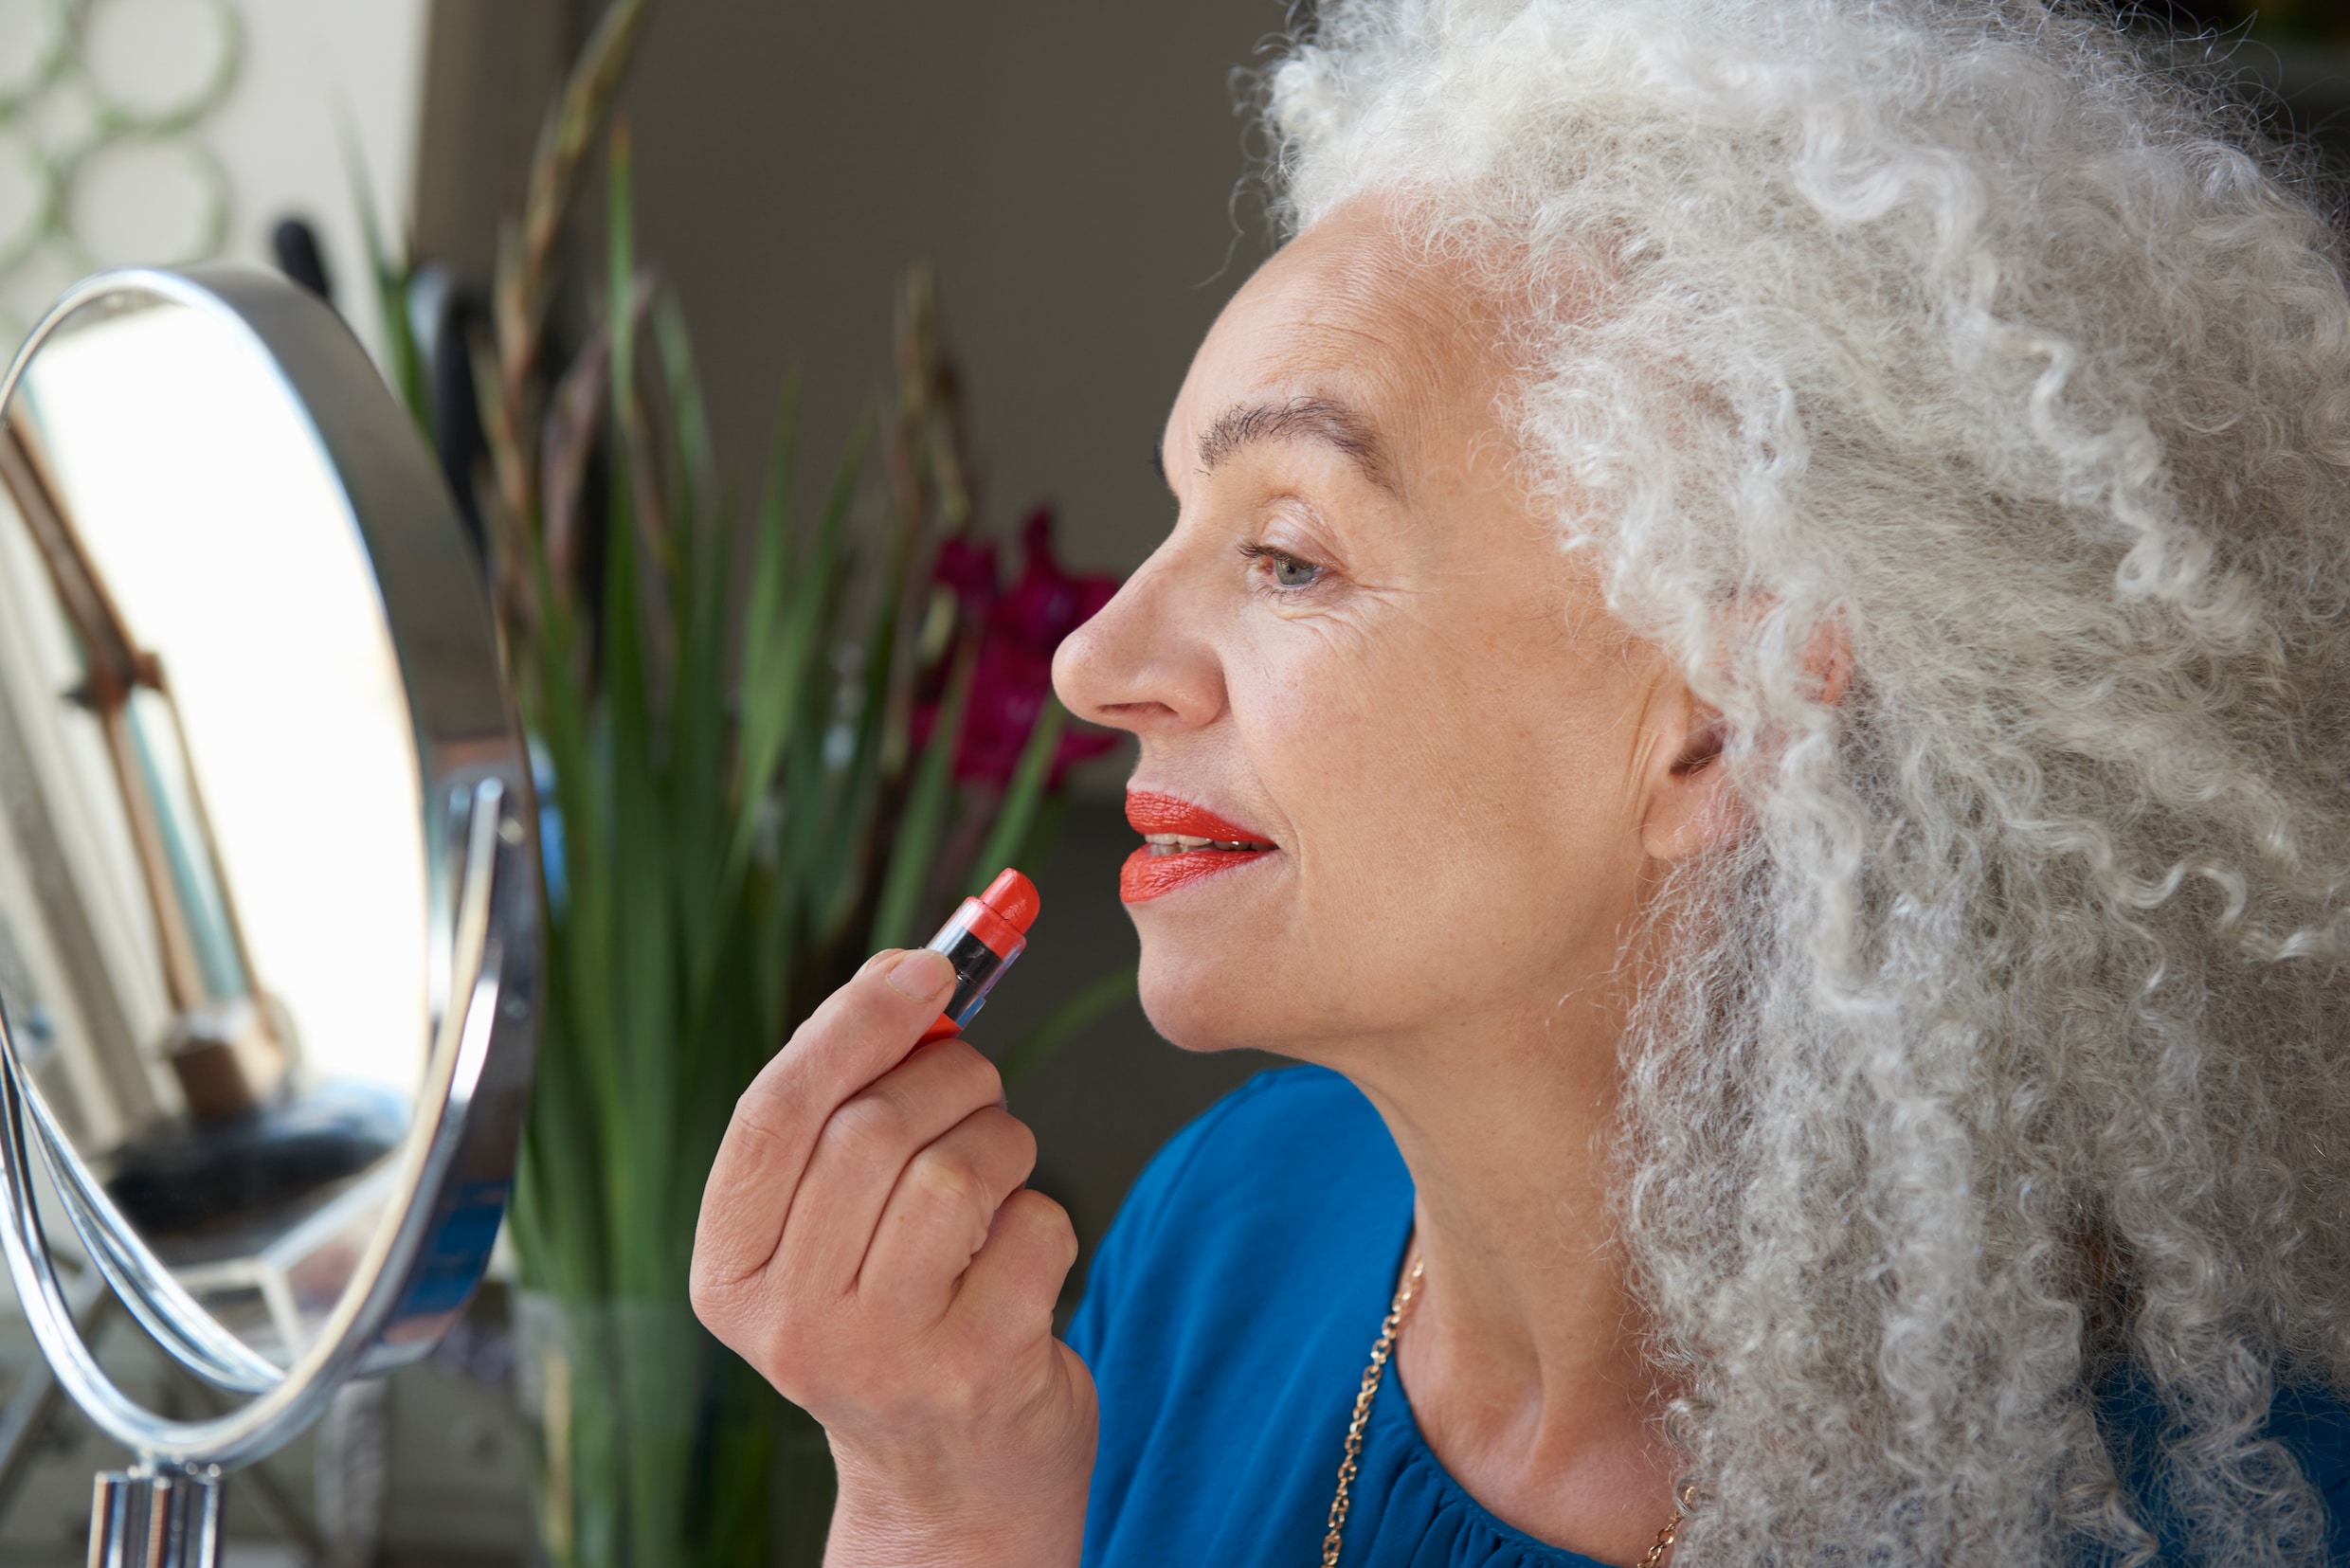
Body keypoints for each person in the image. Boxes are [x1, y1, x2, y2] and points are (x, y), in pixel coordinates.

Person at [688, 2, 2350, 1562]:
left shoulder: (2213, 1506)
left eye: (1284, 558)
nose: (1096, 662)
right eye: (1179, 517)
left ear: (1724, 720)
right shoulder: (1229, 1236)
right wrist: (935, 1496)